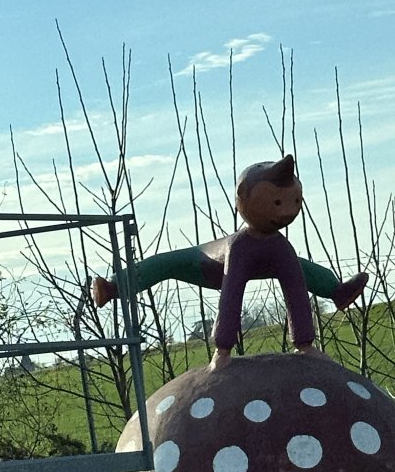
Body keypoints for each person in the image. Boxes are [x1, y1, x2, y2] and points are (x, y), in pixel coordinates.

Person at [91, 155, 368, 369]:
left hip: (264, 260)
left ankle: (335, 293)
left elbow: (296, 289)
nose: (287, 213)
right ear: (243, 197)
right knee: (166, 264)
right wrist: (222, 349)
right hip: (209, 265)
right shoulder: (239, 247)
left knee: (298, 268)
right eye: (277, 204)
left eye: (295, 202)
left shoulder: (280, 246)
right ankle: (114, 286)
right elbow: (231, 293)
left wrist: (305, 344)